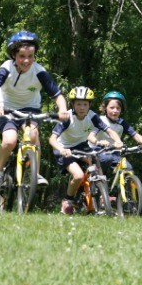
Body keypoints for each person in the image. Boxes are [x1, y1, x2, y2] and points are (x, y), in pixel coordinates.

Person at [0, 30, 68, 190]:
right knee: (9, 140)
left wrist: (63, 108)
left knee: (34, 134)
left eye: (31, 56)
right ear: (14, 55)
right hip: (6, 108)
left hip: (30, 109)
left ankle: (35, 174)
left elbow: (58, 96)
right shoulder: (6, 68)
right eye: (22, 56)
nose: (26, 61)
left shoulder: (39, 71)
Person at [49, 86, 123, 215]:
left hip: (81, 145)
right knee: (78, 175)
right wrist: (61, 149)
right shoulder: (68, 117)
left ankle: (101, 194)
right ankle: (68, 200)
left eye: (85, 104)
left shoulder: (92, 116)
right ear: (72, 104)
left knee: (95, 160)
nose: (82, 107)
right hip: (64, 148)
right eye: (78, 104)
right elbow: (52, 139)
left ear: (89, 105)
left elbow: (109, 130)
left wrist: (118, 141)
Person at [87, 91, 142, 172]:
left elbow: (135, 135)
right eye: (112, 108)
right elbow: (90, 137)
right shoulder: (100, 121)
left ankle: (123, 182)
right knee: (105, 161)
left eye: (118, 108)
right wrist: (99, 142)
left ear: (121, 110)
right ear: (105, 108)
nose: (115, 111)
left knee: (128, 168)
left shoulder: (121, 122)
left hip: (114, 153)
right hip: (96, 151)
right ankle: (97, 180)